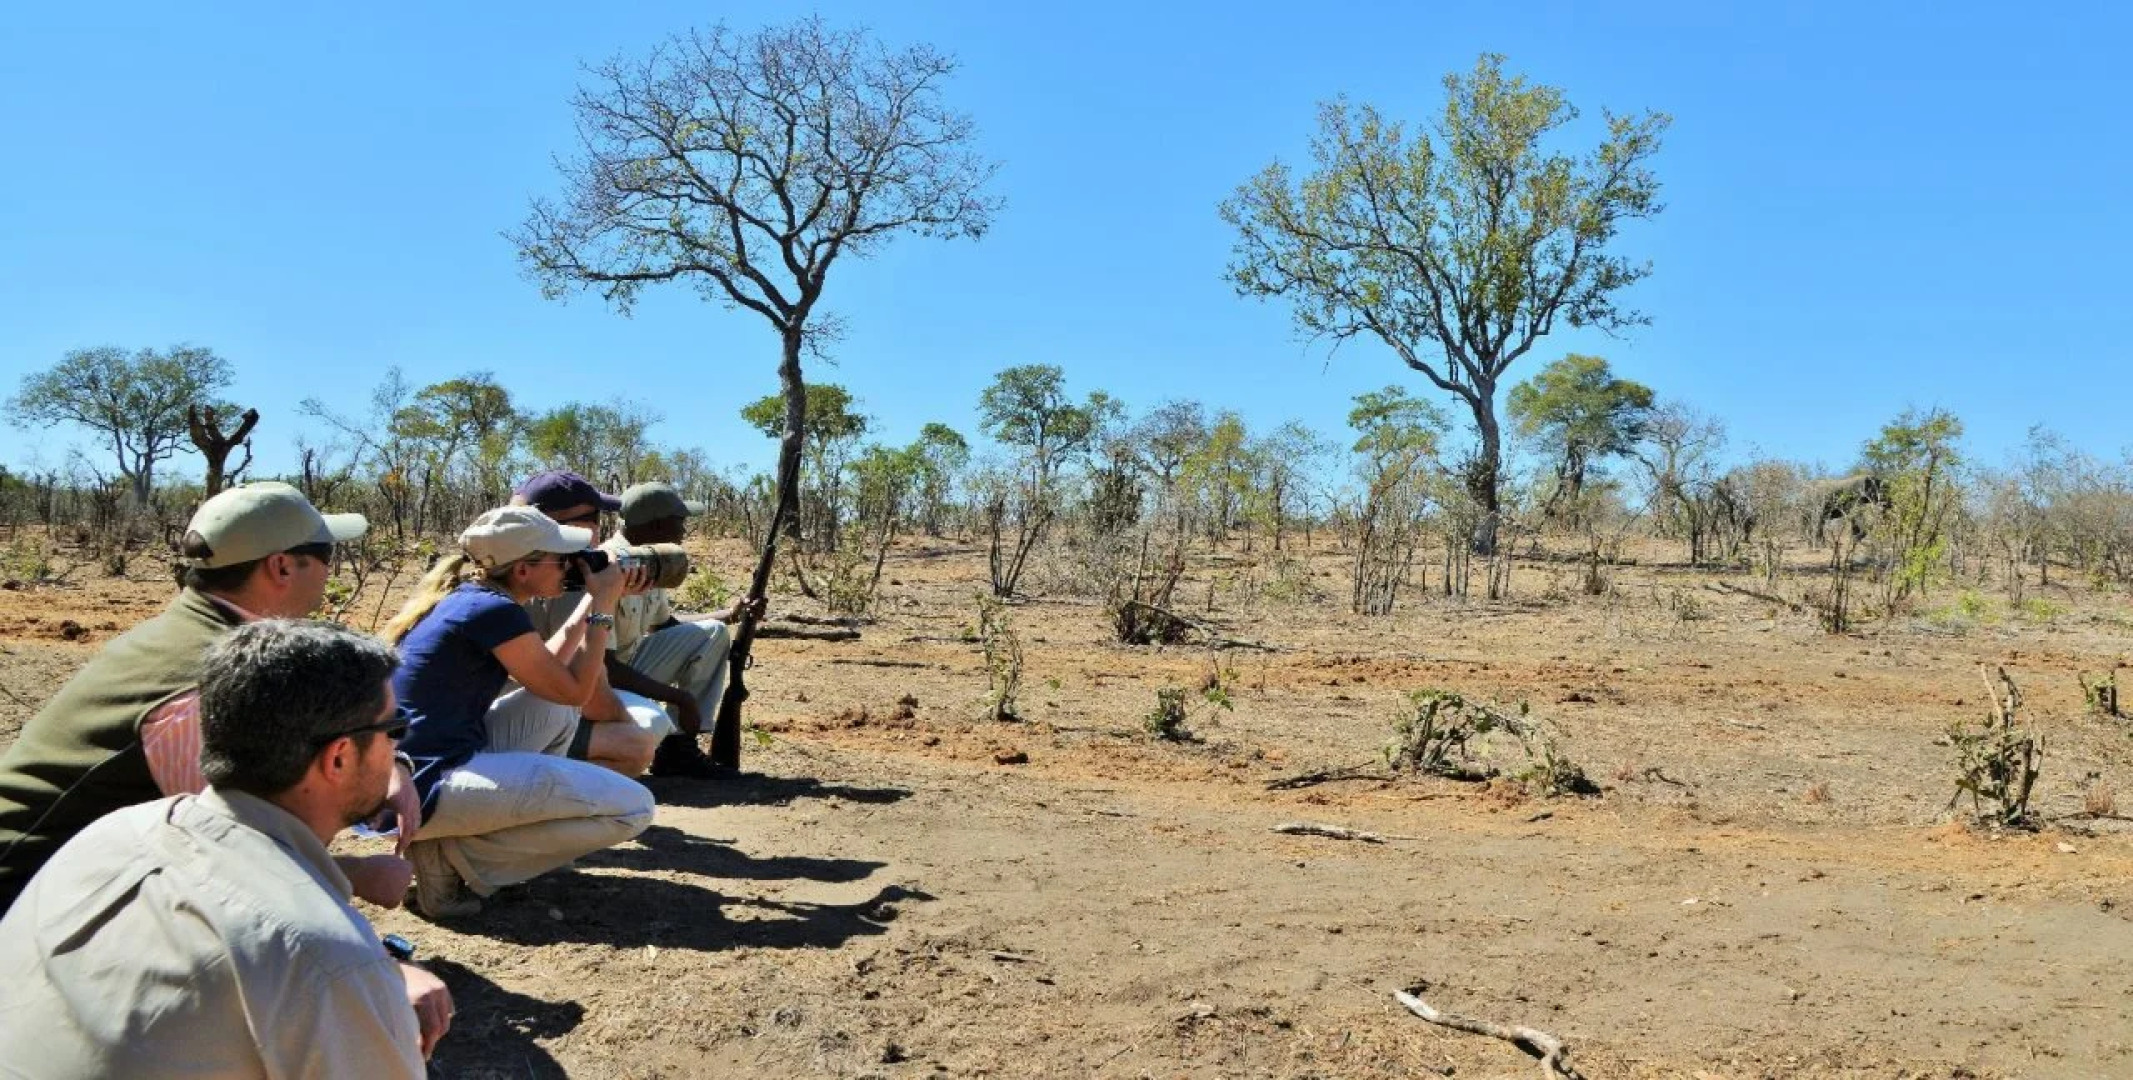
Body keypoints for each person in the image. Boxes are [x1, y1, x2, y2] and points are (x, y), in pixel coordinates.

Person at [0, 620, 444, 1073]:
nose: (397, 748)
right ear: (338, 757)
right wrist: (367, 996)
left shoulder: (116, 831)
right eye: (395, 728)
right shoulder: (324, 961)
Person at [0, 481, 416, 913]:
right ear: (282, 567)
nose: (333, 571)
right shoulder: (205, 687)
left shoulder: (197, 634)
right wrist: (352, 875)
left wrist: (392, 765)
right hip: (28, 903)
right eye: (326, 556)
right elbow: (230, 857)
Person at [383, 505, 655, 919]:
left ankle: (450, 846)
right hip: (421, 785)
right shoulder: (493, 610)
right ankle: (449, 858)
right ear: (524, 570)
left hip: (418, 764)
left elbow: (552, 682)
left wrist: (590, 604)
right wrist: (603, 605)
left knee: (555, 710)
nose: (569, 566)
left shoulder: (474, 599)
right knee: (635, 808)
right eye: (559, 558)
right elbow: (580, 690)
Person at [509, 469, 668, 776]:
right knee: (641, 735)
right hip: (485, 733)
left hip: (504, 713)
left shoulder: (508, 565)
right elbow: (586, 693)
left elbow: (553, 662)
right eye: (594, 518)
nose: (599, 531)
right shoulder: (560, 576)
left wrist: (602, 598)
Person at [608, 481, 763, 777]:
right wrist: (680, 697)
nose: (683, 532)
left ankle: (677, 747)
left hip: (627, 665)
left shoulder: (649, 559)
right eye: (678, 522)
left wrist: (730, 614)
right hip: (600, 680)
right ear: (654, 526)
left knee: (712, 632)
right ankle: (670, 744)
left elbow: (665, 626)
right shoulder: (613, 564)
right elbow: (604, 668)